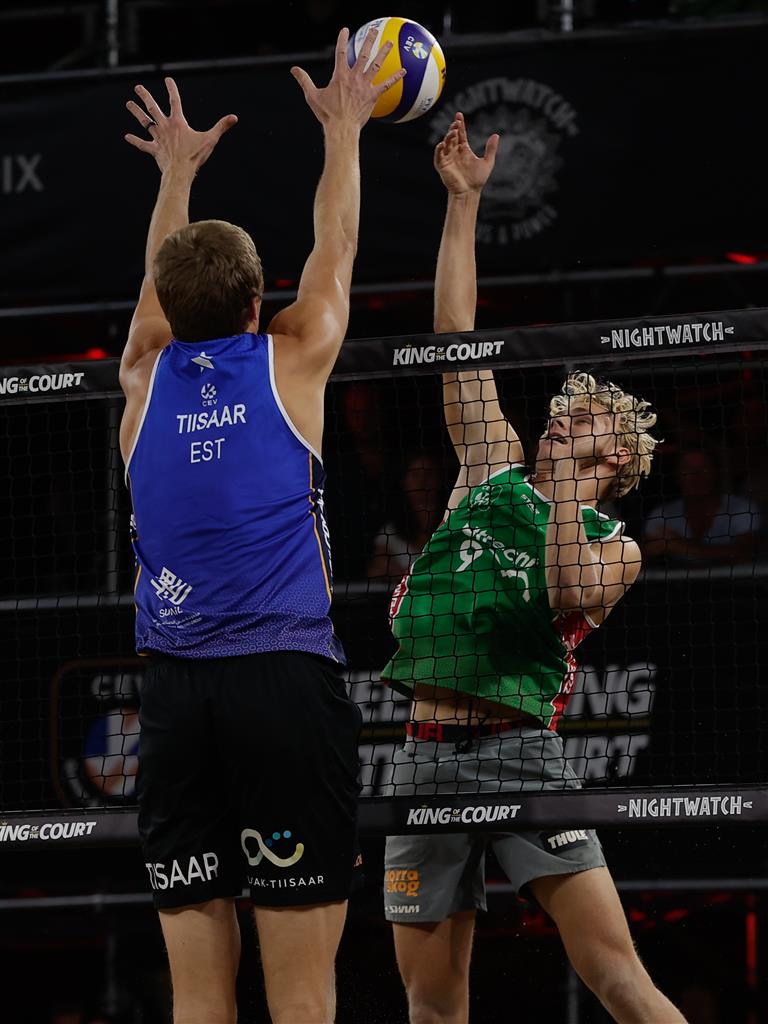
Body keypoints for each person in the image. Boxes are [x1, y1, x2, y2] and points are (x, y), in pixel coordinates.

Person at [118, 33, 404, 1024]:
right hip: (283, 686)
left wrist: (175, 174)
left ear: (167, 307)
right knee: (303, 996)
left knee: (198, 997)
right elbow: (339, 246)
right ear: (256, 300)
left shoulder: (140, 377)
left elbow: (158, 293)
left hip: (175, 698)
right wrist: (344, 130)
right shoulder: (292, 358)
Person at [381, 113, 686, 1024]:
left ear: (616, 459)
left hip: (523, 756)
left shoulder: (614, 543)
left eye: (585, 419)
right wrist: (463, 203)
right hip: (422, 760)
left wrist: (561, 491)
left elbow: (569, 593)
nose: (563, 415)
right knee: (433, 1004)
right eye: (564, 407)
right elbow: (454, 336)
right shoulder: (489, 466)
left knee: (619, 978)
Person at [643, 447, 760, 565]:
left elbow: (745, 553)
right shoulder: (662, 515)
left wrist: (681, 547)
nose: (696, 476)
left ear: (716, 473)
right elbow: (644, 553)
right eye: (687, 469)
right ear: (677, 475)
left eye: (703, 468)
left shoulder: (743, 509)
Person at [367, 453, 444, 581]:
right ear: (404, 481)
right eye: (415, 475)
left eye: (428, 474)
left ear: (439, 479)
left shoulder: (451, 524)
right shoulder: (390, 533)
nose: (422, 481)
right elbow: (374, 571)